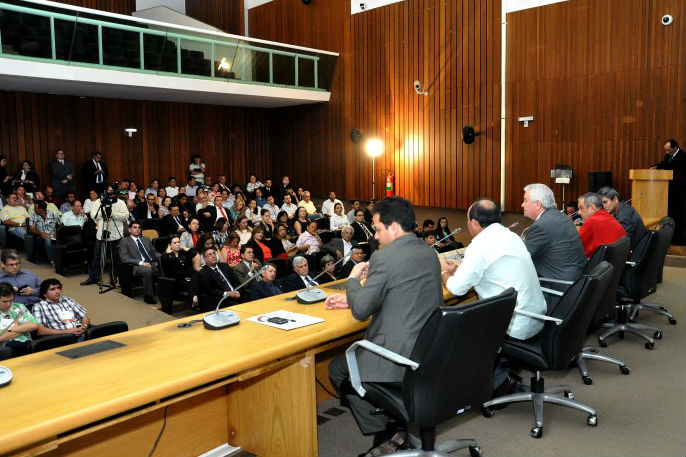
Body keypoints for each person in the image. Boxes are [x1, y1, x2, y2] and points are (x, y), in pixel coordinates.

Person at [327, 196, 442, 456]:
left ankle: (388, 431)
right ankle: (394, 425)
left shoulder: (384, 257)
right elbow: (402, 293)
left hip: (397, 353)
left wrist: (353, 281)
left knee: (338, 369)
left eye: (378, 229)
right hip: (428, 349)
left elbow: (361, 311)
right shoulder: (427, 250)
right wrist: (354, 298)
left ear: (394, 228)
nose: (376, 237)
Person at [439, 198, 547, 395]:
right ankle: (501, 375)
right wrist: (460, 270)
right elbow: (491, 272)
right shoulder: (511, 236)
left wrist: (443, 272)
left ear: (473, 222)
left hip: (514, 325)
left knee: (453, 328)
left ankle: (496, 382)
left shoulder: (479, 246)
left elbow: (455, 289)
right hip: (536, 317)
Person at [521, 183, 587, 283]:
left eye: (525, 201)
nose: (522, 204)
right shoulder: (560, 216)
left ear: (538, 204)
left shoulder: (541, 226)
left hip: (558, 286)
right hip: (575, 278)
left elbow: (522, 256)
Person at [81, 185, 128, 286]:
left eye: (113, 191)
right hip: (102, 233)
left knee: (116, 257)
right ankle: (93, 277)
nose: (111, 193)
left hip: (115, 234)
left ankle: (114, 278)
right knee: (97, 256)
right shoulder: (99, 201)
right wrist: (104, 212)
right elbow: (93, 215)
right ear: (106, 191)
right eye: (109, 191)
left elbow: (126, 215)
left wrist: (113, 214)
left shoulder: (120, 202)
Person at [652, 139, 686, 245]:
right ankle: (671, 235)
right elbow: (665, 164)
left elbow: (681, 173)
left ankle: (679, 237)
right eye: (665, 150)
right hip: (669, 190)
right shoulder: (668, 156)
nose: (666, 152)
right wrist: (656, 167)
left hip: (680, 191)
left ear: (675, 148)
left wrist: (667, 173)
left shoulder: (683, 157)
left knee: (679, 214)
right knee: (671, 212)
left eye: (668, 150)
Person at [118, 221, 161, 305]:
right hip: (136, 265)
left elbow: (153, 252)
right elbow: (124, 258)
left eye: (139, 227)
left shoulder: (146, 239)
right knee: (148, 270)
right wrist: (141, 263)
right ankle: (148, 296)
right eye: (134, 227)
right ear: (129, 230)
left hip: (151, 262)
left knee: (165, 265)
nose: (137, 229)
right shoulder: (124, 241)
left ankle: (166, 294)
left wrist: (162, 257)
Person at [191, 247, 243, 311]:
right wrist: (227, 294)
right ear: (205, 259)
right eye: (209, 255)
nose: (213, 256)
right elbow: (210, 290)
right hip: (222, 298)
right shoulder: (203, 273)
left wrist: (237, 291)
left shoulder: (224, 266)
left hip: (236, 293)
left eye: (214, 253)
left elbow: (235, 280)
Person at [577, 192, 627, 258]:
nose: (579, 212)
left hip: (598, 265)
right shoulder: (609, 217)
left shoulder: (591, 221)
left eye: (581, 208)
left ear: (592, 207)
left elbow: (574, 248)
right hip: (615, 264)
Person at [597, 186, 647, 250]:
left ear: (615, 199)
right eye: (602, 204)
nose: (603, 206)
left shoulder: (625, 214)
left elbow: (620, 241)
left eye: (605, 202)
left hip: (634, 252)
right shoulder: (622, 209)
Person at [0, 281, 38, 357]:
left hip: (27, 345)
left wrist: (9, 329)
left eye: (11, 300)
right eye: (4, 301)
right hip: (5, 349)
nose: (9, 304)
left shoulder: (19, 307)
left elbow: (34, 325)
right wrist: (23, 329)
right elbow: (1, 338)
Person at [29, 201, 60, 266]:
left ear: (41, 209)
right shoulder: (33, 215)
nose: (34, 209)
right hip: (39, 236)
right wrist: (41, 233)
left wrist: (56, 232)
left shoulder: (53, 214)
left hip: (53, 234)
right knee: (47, 238)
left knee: (62, 237)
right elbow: (32, 230)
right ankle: (52, 261)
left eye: (35, 208)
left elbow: (62, 225)